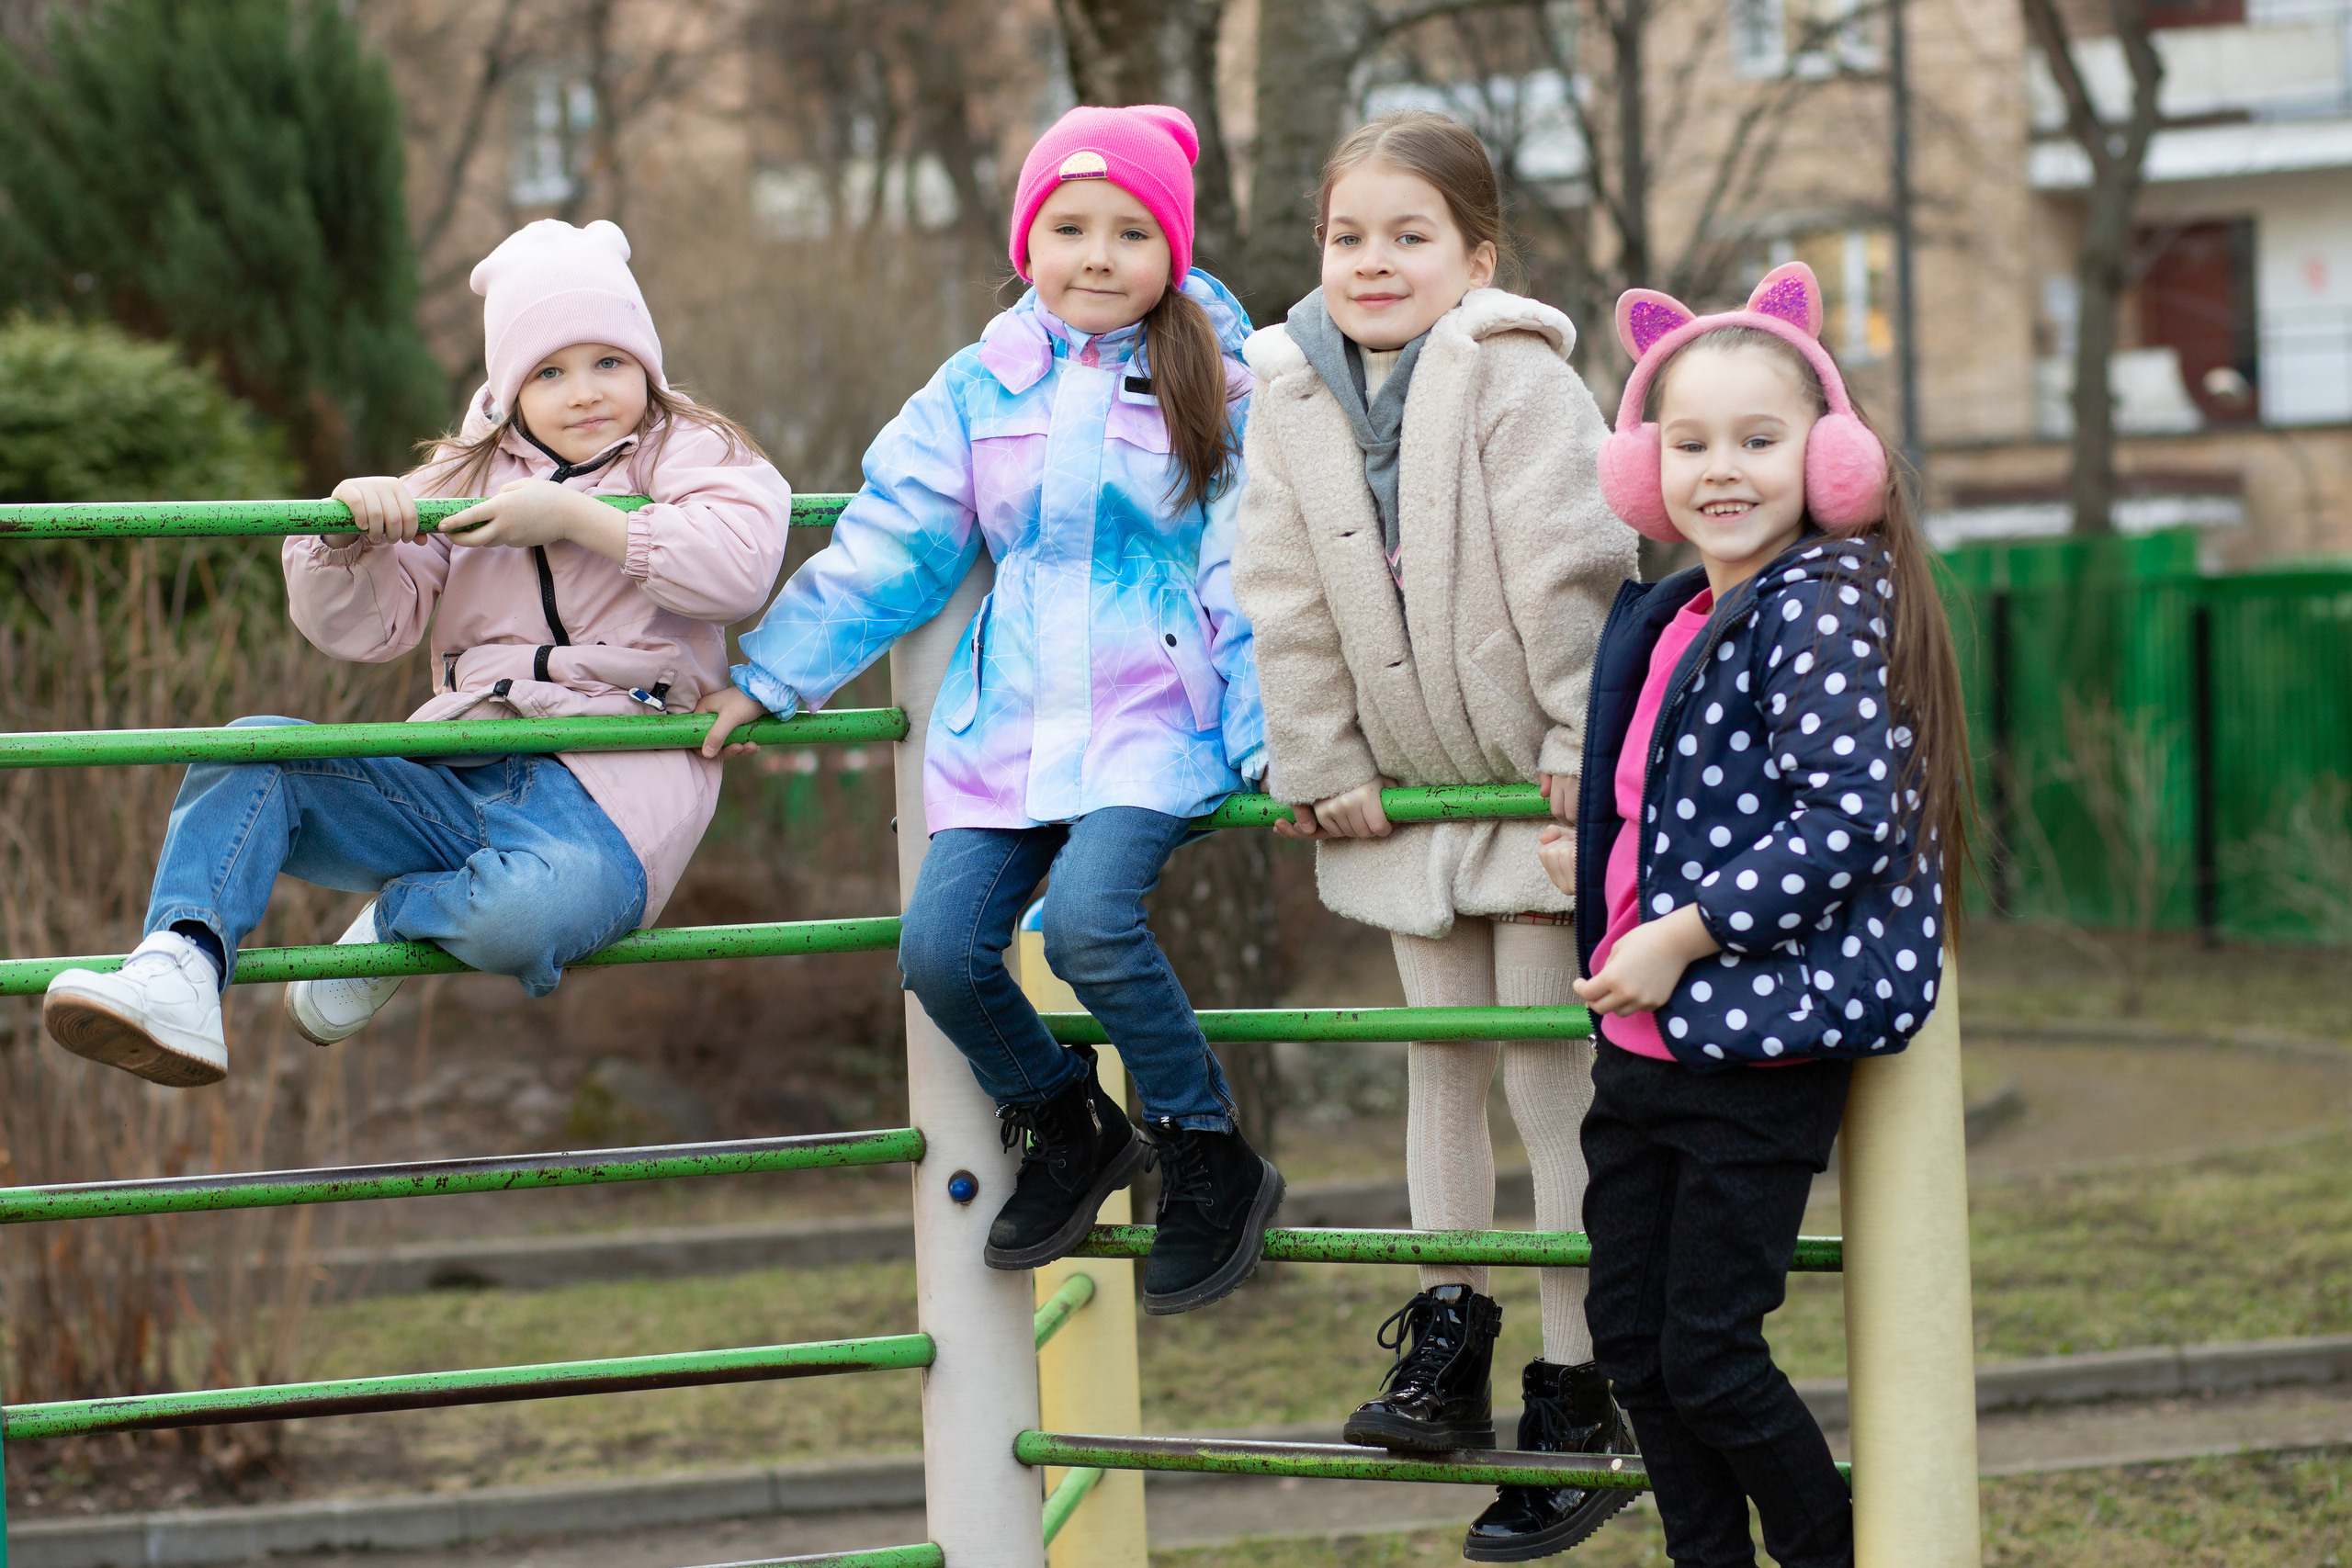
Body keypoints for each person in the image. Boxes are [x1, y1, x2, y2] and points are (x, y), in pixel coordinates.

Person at [694, 105, 1280, 1314]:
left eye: (1130, 231)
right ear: (1029, 243)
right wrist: (771, 671)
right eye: (1070, 227)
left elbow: (1251, 571)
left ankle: (1207, 1150)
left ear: (1171, 250)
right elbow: (894, 538)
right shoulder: (979, 386)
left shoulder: (1218, 385)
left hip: (1147, 721)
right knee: (939, 950)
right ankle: (1069, 1119)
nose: (1098, 255)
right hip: (1006, 726)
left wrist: (1266, 730)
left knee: (1089, 923)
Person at [42, 220, 791, 1089]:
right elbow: (368, 629)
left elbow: (740, 566)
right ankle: (180, 963)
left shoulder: (689, 446)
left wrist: (578, 519)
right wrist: (344, 538)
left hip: (610, 800)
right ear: (509, 388)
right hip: (464, 761)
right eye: (549, 371)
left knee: (526, 918)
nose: (584, 392)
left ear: (646, 365)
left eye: (609, 363)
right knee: (252, 747)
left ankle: (402, 920)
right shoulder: (465, 470)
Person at [1233, 110, 1641, 1561]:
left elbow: (1578, 572)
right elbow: (1279, 587)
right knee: (1441, 1064)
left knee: (1548, 1073)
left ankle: (1581, 1382)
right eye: (1349, 235)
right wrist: (1320, 757)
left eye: (1411, 236)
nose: (1373, 261)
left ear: (1475, 256)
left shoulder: (1521, 379)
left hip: (1526, 791)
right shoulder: (1285, 391)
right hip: (1411, 799)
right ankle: (1448, 1339)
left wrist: (1576, 763)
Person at [1557, 263, 1965, 1568]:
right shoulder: (1688, 611)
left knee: (1711, 1353)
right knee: (1632, 1340)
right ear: (1644, 465)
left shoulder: (1820, 606)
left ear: (1830, 457)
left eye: (1757, 438)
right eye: (1688, 442)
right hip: (1645, 1054)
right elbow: (1665, 798)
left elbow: (1851, 818)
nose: (1718, 469)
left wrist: (1681, 931)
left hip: (1751, 1046)